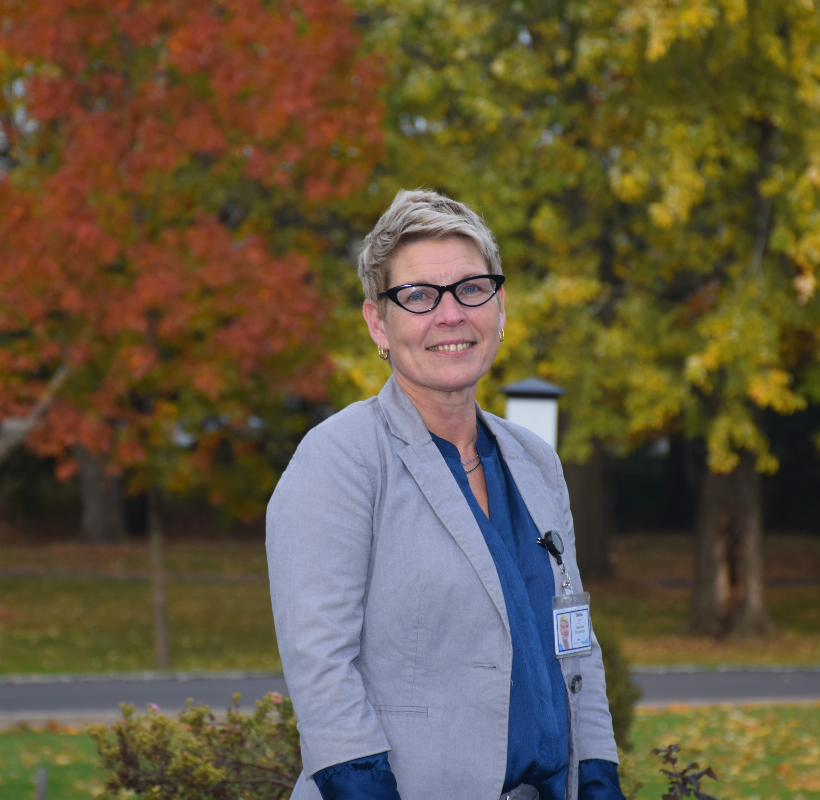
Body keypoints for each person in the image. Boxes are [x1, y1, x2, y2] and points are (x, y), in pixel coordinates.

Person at [267, 189, 624, 800]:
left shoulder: (536, 463)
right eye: (418, 297)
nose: (451, 314)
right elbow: (322, 671)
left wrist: (598, 779)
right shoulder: (339, 460)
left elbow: (575, 647)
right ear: (378, 322)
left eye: (471, 288)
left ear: (500, 306)